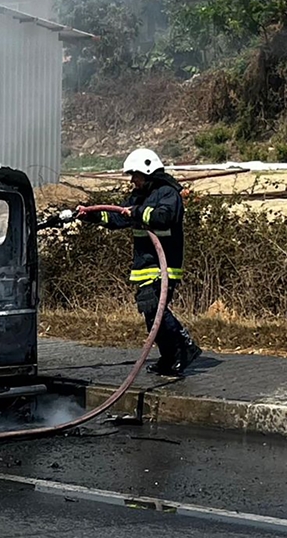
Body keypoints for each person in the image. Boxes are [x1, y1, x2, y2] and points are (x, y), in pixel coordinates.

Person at [77, 148, 202, 376]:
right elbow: (116, 217)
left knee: (155, 310)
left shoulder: (168, 194)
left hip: (164, 265)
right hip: (146, 265)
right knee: (151, 316)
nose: (132, 180)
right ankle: (169, 357)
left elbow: (162, 218)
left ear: (148, 171)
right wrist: (92, 215)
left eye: (136, 175)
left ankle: (185, 347)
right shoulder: (139, 197)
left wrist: (137, 212)